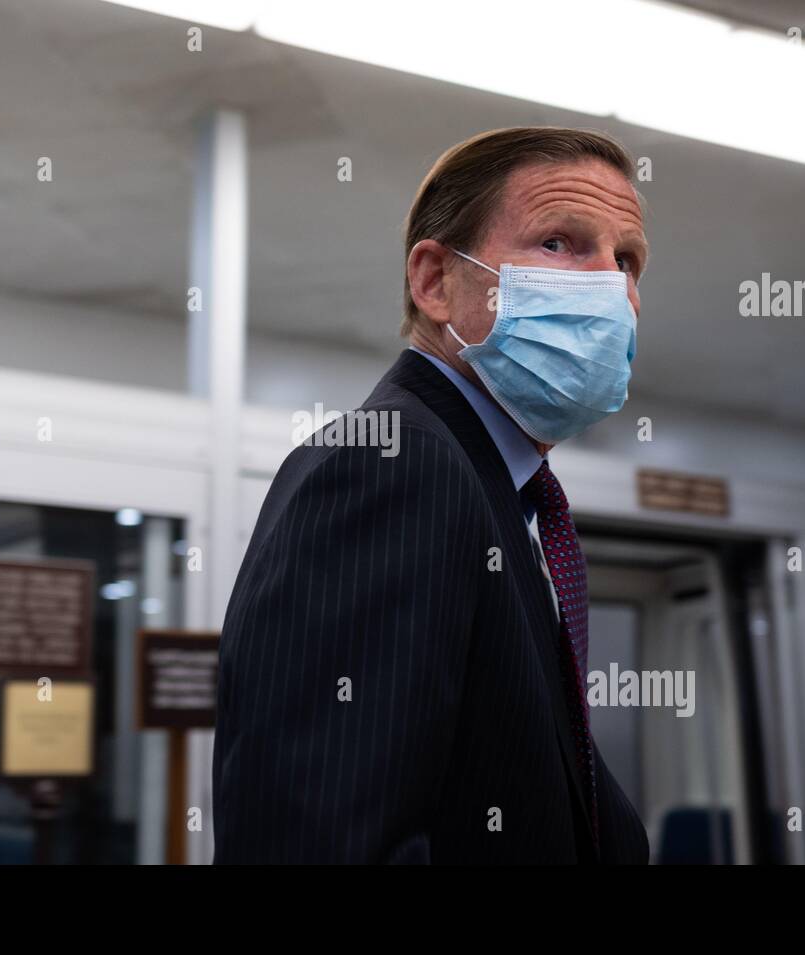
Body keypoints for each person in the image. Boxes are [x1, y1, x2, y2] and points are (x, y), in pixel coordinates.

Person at [213, 127, 649, 863]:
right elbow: (319, 841)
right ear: (436, 281)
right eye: (559, 242)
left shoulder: (495, 492)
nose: (612, 287)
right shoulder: (392, 465)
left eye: (627, 259)